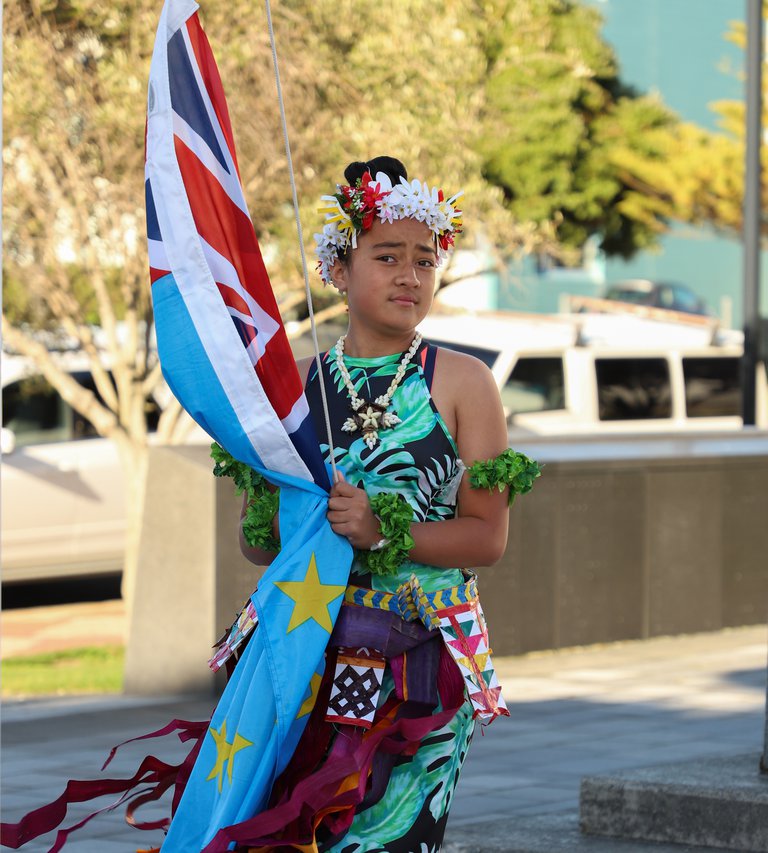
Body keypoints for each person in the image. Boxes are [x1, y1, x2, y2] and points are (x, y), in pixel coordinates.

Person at [230, 155, 539, 851]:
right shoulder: (295, 388)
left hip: (418, 662)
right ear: (338, 270)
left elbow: (487, 537)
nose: (409, 275)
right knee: (290, 834)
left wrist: (378, 530)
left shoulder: (464, 382)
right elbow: (258, 544)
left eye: (425, 261)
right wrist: (262, 493)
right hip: (305, 649)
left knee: (389, 837)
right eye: (387, 256)